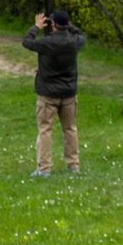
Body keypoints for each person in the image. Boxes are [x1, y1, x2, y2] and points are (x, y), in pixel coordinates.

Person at [23, 9, 85, 176]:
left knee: (45, 130)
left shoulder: (46, 42)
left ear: (54, 25)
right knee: (70, 129)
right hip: (69, 93)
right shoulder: (74, 42)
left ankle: (44, 168)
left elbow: (27, 41)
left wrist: (36, 26)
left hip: (48, 94)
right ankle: (73, 165)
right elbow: (82, 34)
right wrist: (69, 26)